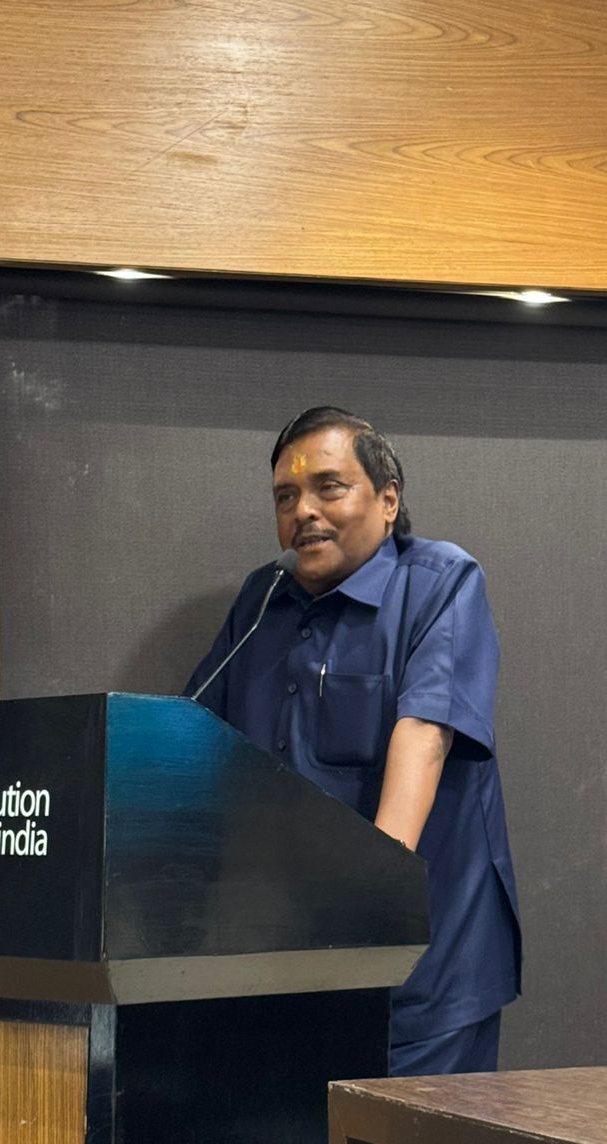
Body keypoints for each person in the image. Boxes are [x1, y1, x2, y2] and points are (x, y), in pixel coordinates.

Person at [183, 406, 521, 1075]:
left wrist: (368, 904)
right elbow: (194, 739)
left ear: (388, 500)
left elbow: (424, 735)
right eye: (285, 497)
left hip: (421, 982)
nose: (303, 511)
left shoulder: (440, 582)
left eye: (328, 487)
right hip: (289, 978)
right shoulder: (262, 600)